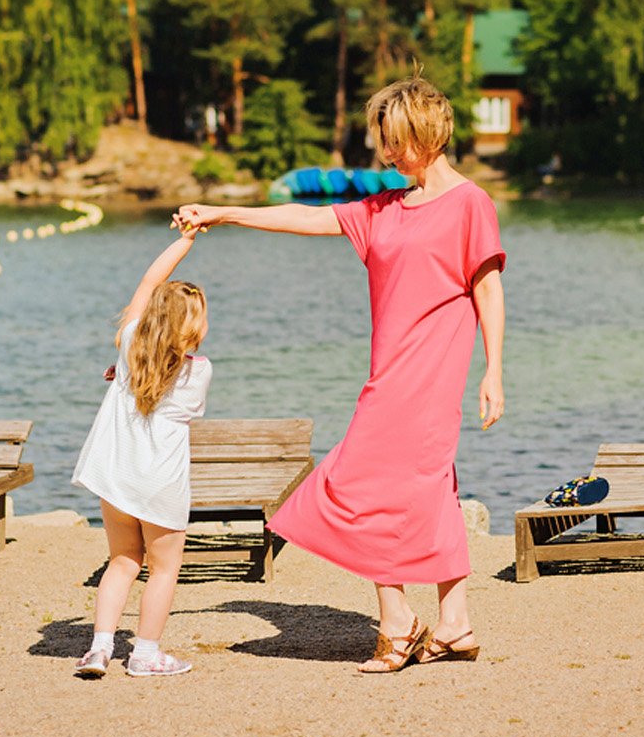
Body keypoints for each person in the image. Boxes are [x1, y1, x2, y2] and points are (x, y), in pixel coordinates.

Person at [176, 76, 505, 674]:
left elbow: (488, 289)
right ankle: (453, 624)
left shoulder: (469, 204)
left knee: (364, 483)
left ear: (428, 133)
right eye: (382, 142)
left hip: (431, 377)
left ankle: (397, 622)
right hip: (390, 372)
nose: (386, 154)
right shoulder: (380, 210)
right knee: (430, 488)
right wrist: (223, 213)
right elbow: (303, 218)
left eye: (395, 141)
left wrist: (494, 372)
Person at [70, 224, 211, 679]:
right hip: (160, 485)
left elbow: (149, 283)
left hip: (117, 476)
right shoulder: (200, 371)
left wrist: (185, 241)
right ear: (193, 326)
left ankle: (99, 648)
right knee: (163, 568)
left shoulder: (130, 343)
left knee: (122, 561)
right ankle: (146, 653)